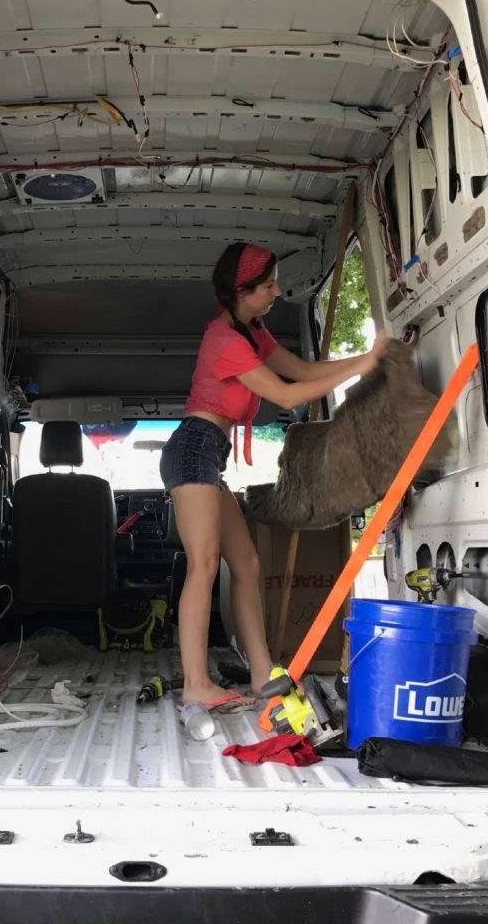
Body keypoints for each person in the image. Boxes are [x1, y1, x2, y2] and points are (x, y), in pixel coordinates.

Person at [159, 242, 387, 711]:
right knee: (203, 566)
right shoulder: (224, 341)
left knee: (247, 564)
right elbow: (289, 397)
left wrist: (368, 358)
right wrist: (366, 364)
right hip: (193, 449)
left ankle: (263, 674)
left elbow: (302, 369)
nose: (276, 292)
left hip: (209, 455)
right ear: (242, 291)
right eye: (267, 286)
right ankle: (196, 684)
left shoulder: (251, 333)